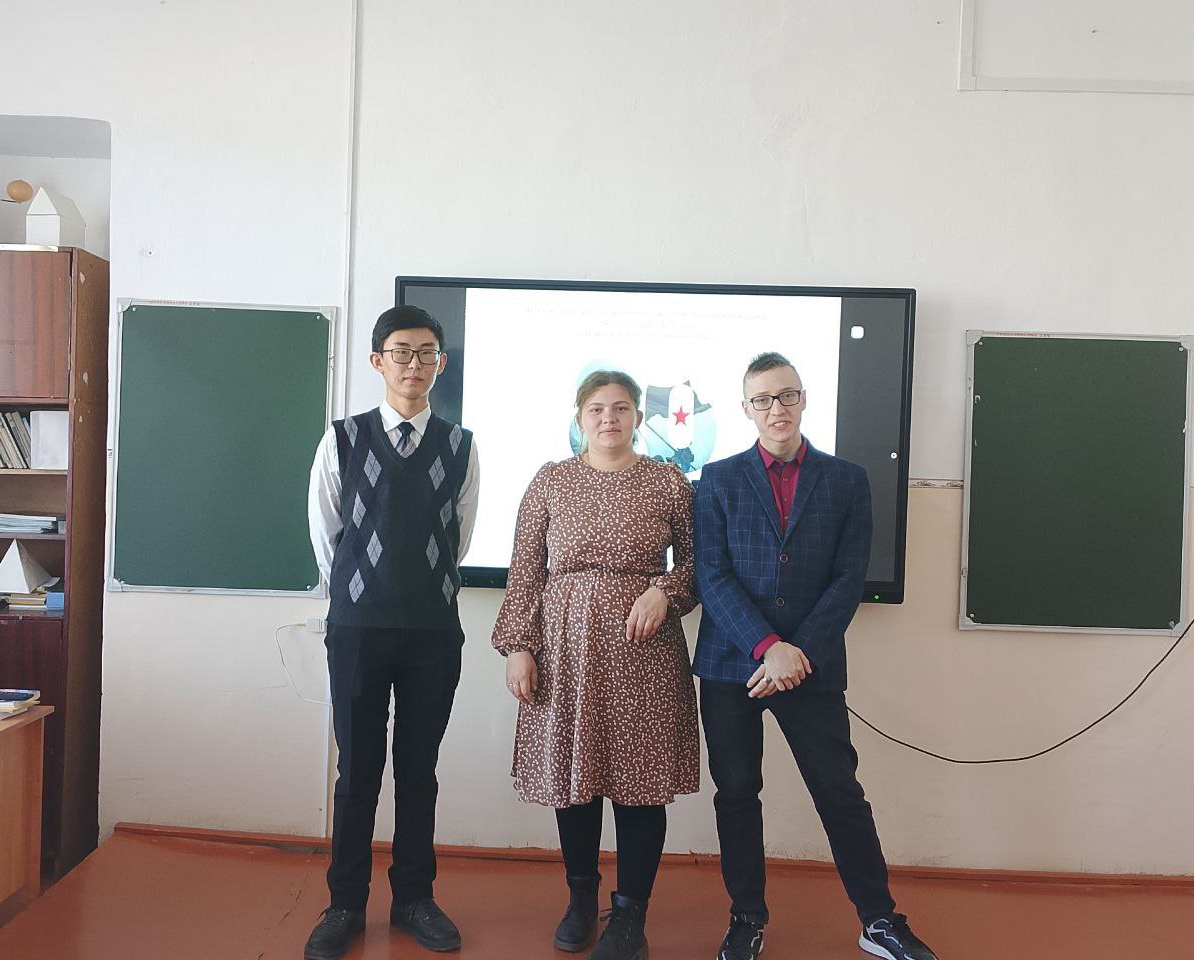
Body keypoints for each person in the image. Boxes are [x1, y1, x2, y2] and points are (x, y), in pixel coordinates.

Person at [693, 352, 938, 960]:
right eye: (762, 399)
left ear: (803, 399)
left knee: (838, 791)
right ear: (746, 409)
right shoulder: (717, 479)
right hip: (732, 663)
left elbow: (849, 578)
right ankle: (746, 919)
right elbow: (712, 575)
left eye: (787, 395)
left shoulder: (847, 479)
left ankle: (879, 920)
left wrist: (796, 651)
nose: (776, 408)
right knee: (737, 793)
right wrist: (767, 646)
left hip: (810, 663)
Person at [492, 370, 700, 960]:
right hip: (566, 651)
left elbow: (698, 564)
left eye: (621, 407)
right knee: (574, 781)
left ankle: (630, 915)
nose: (609, 418)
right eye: (597, 409)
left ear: (638, 417)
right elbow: (525, 570)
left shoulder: (667, 482)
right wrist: (519, 645)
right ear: (579, 417)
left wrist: (664, 592)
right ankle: (581, 898)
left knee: (641, 786)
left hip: (645, 655)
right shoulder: (551, 480)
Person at [304, 304, 480, 960]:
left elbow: (458, 538)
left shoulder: (461, 446)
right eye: (402, 352)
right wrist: (364, 593)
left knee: (418, 771)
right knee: (357, 772)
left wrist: (410, 587)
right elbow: (327, 536)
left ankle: (413, 899)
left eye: (427, 353)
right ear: (378, 361)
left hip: (432, 631)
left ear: (441, 363)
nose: (414, 364)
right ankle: (345, 904)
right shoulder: (342, 439)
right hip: (357, 631)